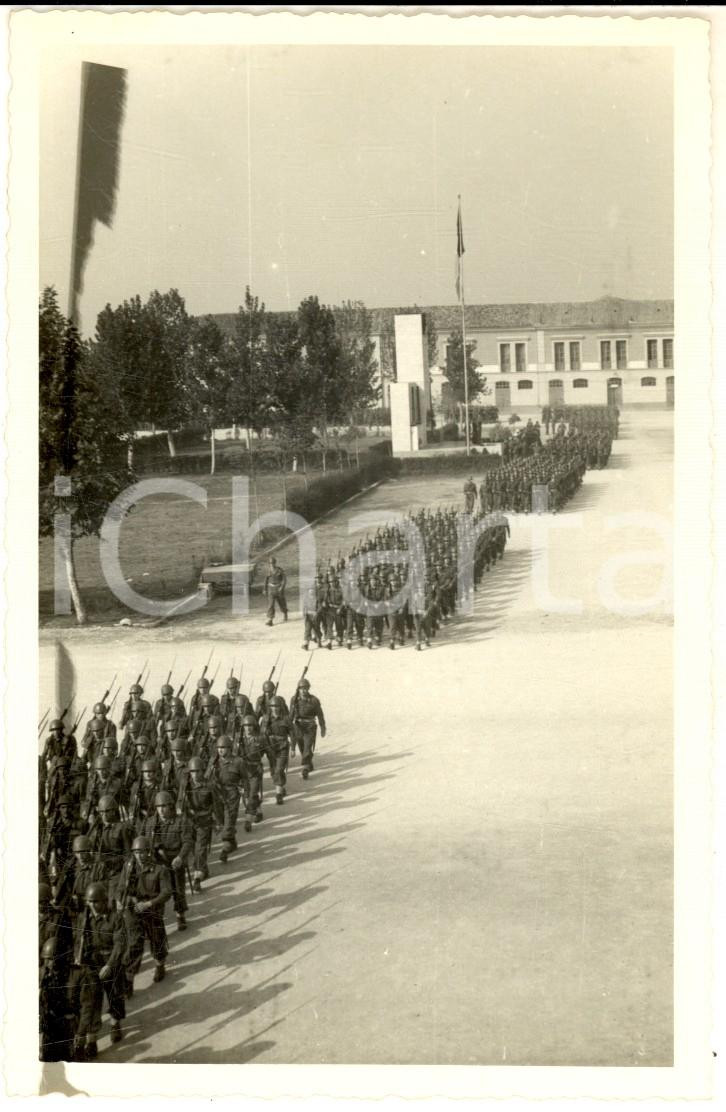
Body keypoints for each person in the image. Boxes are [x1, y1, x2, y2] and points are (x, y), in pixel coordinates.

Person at [289, 679, 326, 780]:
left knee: (307, 746)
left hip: (310, 726)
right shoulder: (294, 699)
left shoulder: (314, 700)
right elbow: (291, 714)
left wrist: (323, 727)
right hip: (298, 726)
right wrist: (288, 726)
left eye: (305, 688)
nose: (303, 691)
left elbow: (320, 714)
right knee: (302, 747)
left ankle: (305, 768)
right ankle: (308, 763)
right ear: (299, 689)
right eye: (301, 689)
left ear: (308, 689)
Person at [263, 556, 288, 626]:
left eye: (273, 563)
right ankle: (270, 620)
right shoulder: (268, 571)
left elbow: (284, 579)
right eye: (270, 563)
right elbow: (265, 580)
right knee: (271, 605)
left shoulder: (280, 570)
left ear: (275, 563)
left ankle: (285, 613)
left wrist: (282, 587)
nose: (272, 564)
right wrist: (265, 589)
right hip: (271, 589)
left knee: (282, 603)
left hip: (279, 589)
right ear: (269, 564)